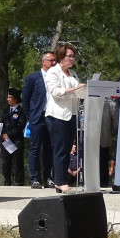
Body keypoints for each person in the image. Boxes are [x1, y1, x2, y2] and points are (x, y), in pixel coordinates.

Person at [45, 42, 84, 193]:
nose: (72, 59)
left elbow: (77, 91)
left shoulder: (73, 74)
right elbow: (55, 92)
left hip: (72, 115)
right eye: (70, 56)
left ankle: (62, 180)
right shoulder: (53, 72)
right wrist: (73, 89)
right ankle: (59, 181)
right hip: (57, 116)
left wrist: (84, 89)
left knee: (68, 149)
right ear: (61, 57)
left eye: (73, 57)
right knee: (59, 149)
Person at [23, 50, 56, 189]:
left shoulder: (55, 77)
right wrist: (30, 116)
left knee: (49, 149)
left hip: (51, 116)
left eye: (55, 60)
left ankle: (48, 177)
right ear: (43, 62)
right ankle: (34, 179)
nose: (54, 63)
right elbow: (25, 99)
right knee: (35, 148)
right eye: (51, 60)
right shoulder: (33, 78)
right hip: (37, 117)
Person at [0, 88, 25, 186]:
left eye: (10, 97)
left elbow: (20, 126)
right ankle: (7, 181)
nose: (8, 99)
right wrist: (4, 135)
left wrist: (9, 134)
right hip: (5, 140)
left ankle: (19, 181)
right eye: (8, 97)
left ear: (16, 99)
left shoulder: (21, 111)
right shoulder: (6, 111)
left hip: (16, 140)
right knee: (5, 161)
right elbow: (2, 123)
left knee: (17, 161)